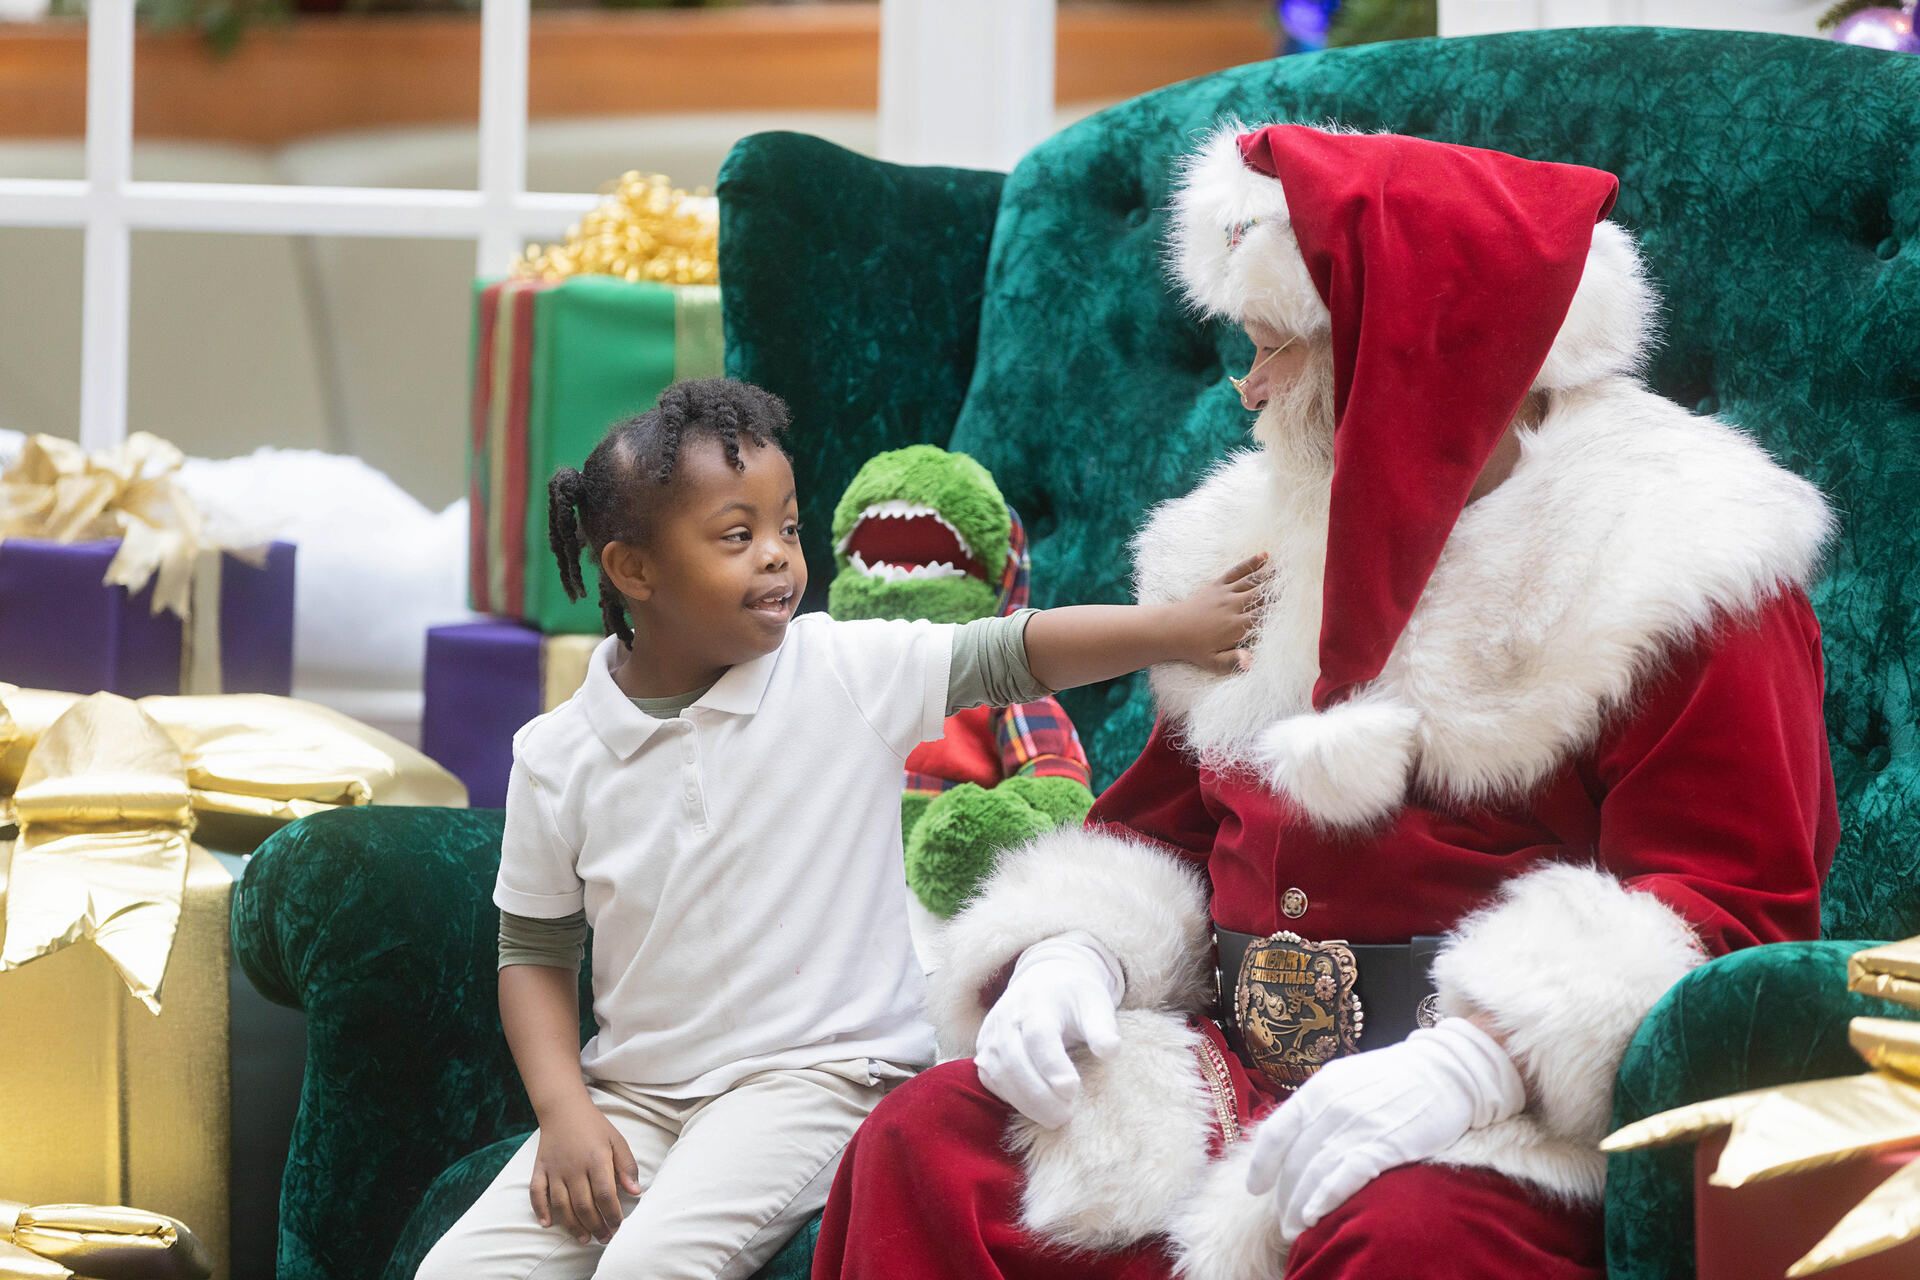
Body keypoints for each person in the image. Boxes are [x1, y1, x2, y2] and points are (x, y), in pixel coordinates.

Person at [809, 123, 1838, 1280]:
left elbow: (1729, 912)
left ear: (1403, 356)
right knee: (926, 1144)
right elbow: (1162, 829)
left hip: (1487, 1115)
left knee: (1401, 1242)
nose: (1246, 388)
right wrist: (1074, 953)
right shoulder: (1254, 540)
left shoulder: (1681, 566)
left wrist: (1477, 1061)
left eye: (1270, 350)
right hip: (1228, 1076)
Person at [414, 377, 1267, 1280]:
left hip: (817, 1082)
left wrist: (1172, 630)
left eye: (787, 528)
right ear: (634, 571)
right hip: (637, 1096)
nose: (778, 558)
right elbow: (533, 952)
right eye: (737, 536)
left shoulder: (842, 669)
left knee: (647, 1269)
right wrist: (565, 1112)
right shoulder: (556, 754)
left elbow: (1015, 651)